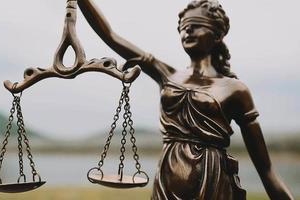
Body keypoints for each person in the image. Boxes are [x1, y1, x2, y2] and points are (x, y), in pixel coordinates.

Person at [77, 0, 294, 199]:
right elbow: (111, 35)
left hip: (211, 180)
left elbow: (266, 170)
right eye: (184, 27)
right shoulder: (167, 74)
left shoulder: (235, 90)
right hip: (167, 177)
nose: (188, 30)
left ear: (217, 36)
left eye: (197, 25)